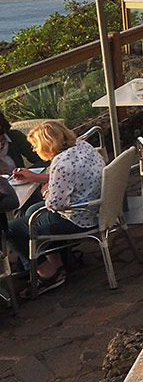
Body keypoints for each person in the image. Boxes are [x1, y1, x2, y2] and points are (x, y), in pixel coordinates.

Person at [7, 121, 105, 295]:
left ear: (47, 144)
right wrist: (35, 177)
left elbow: (55, 204)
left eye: (35, 146)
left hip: (79, 218)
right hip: (97, 208)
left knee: (10, 229)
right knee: (30, 211)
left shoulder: (61, 164)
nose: (33, 150)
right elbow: (70, 178)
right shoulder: (82, 146)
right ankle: (56, 262)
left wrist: (46, 192)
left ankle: (48, 274)